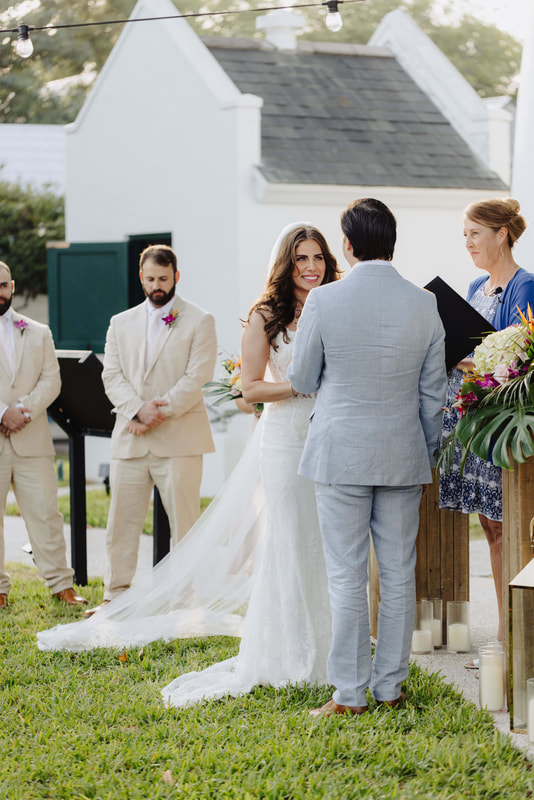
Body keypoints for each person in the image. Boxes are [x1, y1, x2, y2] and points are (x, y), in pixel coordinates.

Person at [37, 226, 339, 709]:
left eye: (317, 257)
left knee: (322, 541)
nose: (310, 266)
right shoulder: (265, 315)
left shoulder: (332, 305)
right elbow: (247, 388)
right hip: (281, 438)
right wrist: (139, 409)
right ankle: (278, 644)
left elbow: (198, 374)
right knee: (285, 538)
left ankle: (328, 643)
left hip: (328, 439)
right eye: (301, 257)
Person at [289, 198, 447, 717]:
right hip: (403, 455)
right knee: (400, 574)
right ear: (392, 243)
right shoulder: (425, 305)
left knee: (346, 575)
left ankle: (349, 695)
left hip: (339, 453)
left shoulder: (324, 301)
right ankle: (390, 688)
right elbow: (433, 397)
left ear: (348, 245)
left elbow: (302, 379)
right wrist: (421, 453)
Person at [84, 244, 217, 617]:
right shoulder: (119, 322)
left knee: (184, 527)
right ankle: (115, 596)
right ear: (140, 278)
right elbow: (111, 375)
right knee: (120, 525)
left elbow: (198, 376)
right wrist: (136, 410)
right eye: (150, 279)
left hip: (180, 439)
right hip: (130, 436)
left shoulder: (200, 320)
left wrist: (159, 411)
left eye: (163, 278)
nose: (157, 285)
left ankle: (182, 601)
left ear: (177, 275)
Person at [439, 197, 534, 648]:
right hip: (472, 421)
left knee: (507, 528)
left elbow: (519, 362)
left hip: (503, 424)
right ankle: (505, 629)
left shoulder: (525, 286)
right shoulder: (477, 284)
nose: (468, 243)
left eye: (475, 233)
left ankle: (511, 632)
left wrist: (468, 362)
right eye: (465, 235)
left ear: (502, 234)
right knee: (489, 526)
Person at [0, 261, 87, 609]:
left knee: (47, 514)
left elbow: (52, 380)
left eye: (2, 285)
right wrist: (1, 412)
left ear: (12, 286)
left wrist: (23, 411)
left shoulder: (38, 331)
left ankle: (61, 585)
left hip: (31, 437)